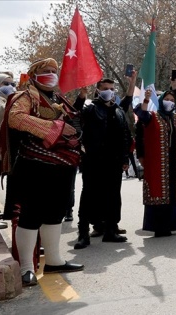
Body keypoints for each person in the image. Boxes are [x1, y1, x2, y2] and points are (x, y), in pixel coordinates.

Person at [0, 58, 84, 285]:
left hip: (62, 165)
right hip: (34, 165)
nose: (51, 74)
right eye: (46, 71)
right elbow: (16, 119)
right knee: (30, 215)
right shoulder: (25, 96)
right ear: (34, 74)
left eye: (54, 71)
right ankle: (27, 267)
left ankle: (54, 260)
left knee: (55, 213)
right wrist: (56, 127)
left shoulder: (59, 98)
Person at [73, 74, 136, 249]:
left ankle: (110, 230)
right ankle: (83, 234)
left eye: (111, 88)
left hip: (114, 162)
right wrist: (81, 96)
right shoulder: (90, 108)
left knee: (113, 196)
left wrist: (125, 159)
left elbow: (124, 136)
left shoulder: (118, 110)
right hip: (94, 161)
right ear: (98, 91)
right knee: (89, 196)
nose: (109, 92)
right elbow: (74, 115)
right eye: (105, 89)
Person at [135, 90, 176, 237]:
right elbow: (141, 115)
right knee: (157, 191)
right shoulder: (152, 117)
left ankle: (171, 225)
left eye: (172, 100)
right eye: (166, 99)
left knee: (173, 193)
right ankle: (157, 227)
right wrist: (146, 101)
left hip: (174, 162)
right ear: (161, 101)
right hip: (157, 162)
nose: (169, 102)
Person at [0, 73, 15, 230]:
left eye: (12, 83)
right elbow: (2, 112)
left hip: (0, 152)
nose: (10, 86)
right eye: (5, 83)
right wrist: (12, 99)